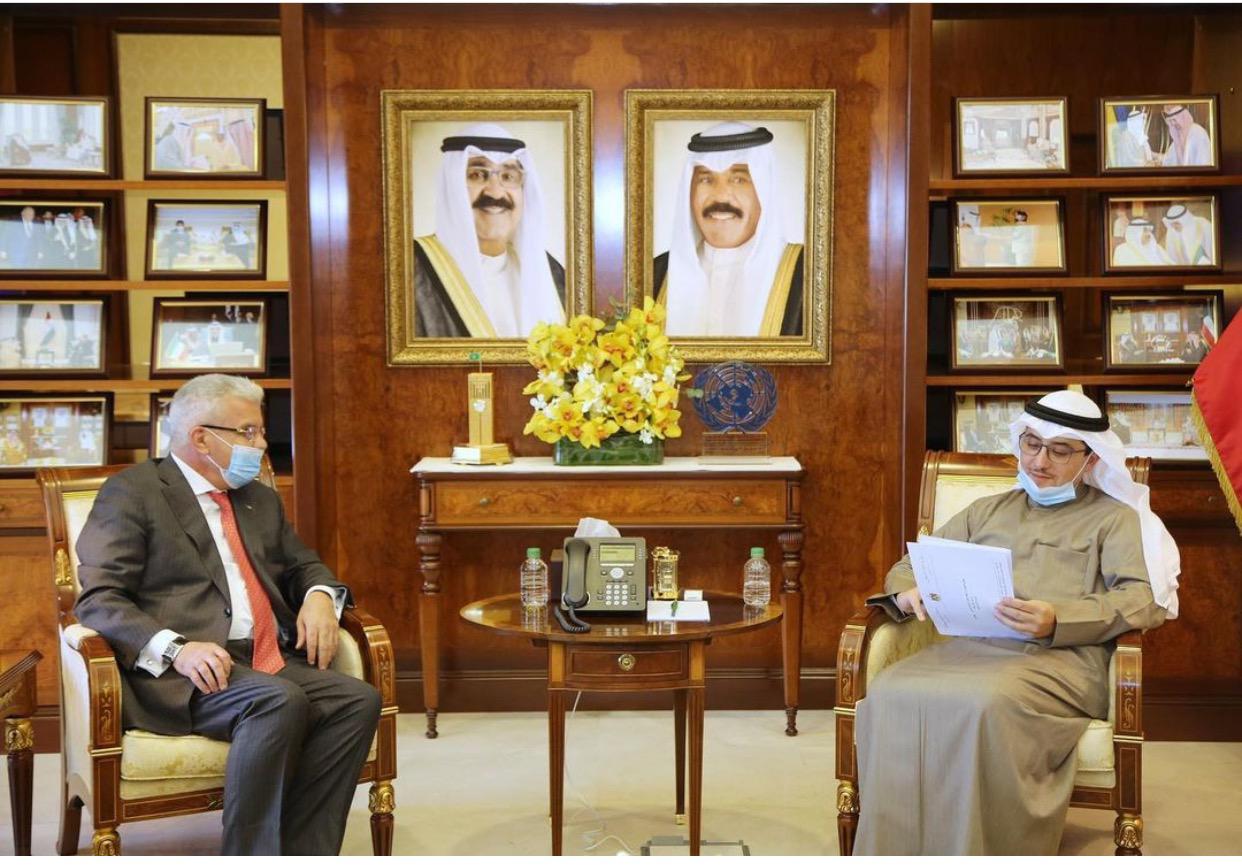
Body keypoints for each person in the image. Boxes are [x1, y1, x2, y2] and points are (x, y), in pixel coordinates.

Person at [854, 390, 1179, 855]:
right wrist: (908, 592)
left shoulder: (1114, 519)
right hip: (970, 649)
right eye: (1032, 444)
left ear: (1089, 459)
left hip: (1062, 658)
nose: (1040, 461)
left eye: (1060, 451)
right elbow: (911, 564)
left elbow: (1141, 601)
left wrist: (1058, 619)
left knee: (984, 702)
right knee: (889, 691)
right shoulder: (986, 510)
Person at [74, 375, 381, 855]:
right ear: (201, 438)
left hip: (262, 658)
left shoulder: (258, 498)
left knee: (356, 700)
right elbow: (99, 598)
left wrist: (320, 595)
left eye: (260, 432)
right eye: (248, 432)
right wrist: (177, 649)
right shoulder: (133, 493)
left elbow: (302, 564)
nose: (261, 445)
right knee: (277, 701)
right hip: (184, 672)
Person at [413, 122, 566, 338]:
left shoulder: (550, 271)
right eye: (477, 175)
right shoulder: (410, 269)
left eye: (508, 176)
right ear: (452, 186)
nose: (495, 192)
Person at [653, 121, 803, 337]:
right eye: (706, 179)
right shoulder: (656, 274)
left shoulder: (806, 275)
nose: (721, 196)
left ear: (764, 189)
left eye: (739, 179)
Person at [1161, 103, 1212, 167]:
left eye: (1174, 120)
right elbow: (1169, 160)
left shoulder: (1198, 134)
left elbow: (1204, 165)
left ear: (1183, 117)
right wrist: (1153, 155)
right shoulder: (1179, 136)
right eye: (1170, 121)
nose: (1173, 124)